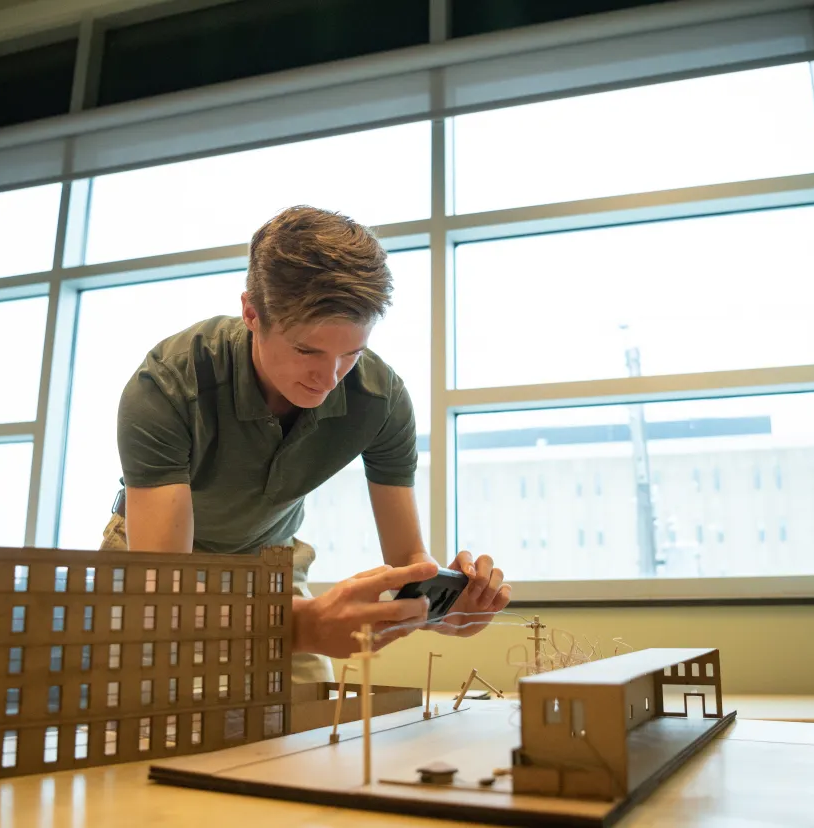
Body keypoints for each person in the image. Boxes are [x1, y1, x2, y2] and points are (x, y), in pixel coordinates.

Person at [99, 205, 511, 682]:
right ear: (252, 313)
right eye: (306, 351)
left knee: (302, 731)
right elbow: (169, 589)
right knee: (147, 724)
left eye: (350, 354)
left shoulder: (381, 399)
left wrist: (441, 608)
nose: (329, 377)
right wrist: (299, 626)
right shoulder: (168, 386)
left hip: (272, 562)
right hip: (160, 565)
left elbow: (407, 562)